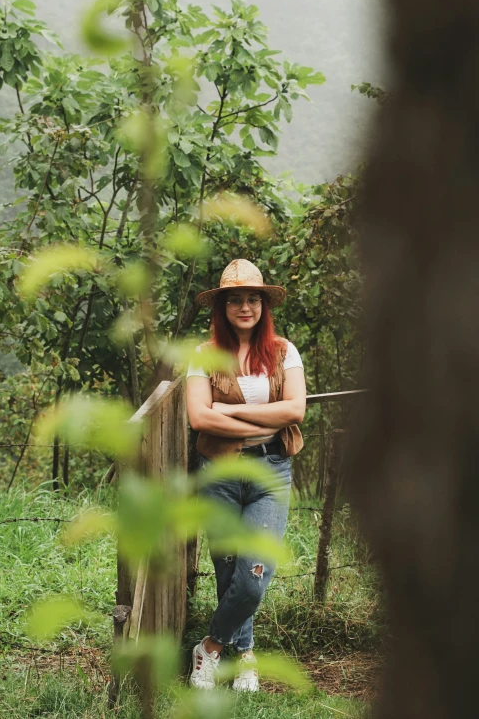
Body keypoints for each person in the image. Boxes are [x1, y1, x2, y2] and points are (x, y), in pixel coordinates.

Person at [186, 258, 306, 692]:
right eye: (235, 299)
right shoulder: (203, 356)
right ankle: (247, 655)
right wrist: (262, 421)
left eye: (252, 298)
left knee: (255, 573)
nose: (245, 307)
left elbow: (294, 410)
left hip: (270, 469)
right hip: (218, 471)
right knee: (228, 567)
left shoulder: (282, 350)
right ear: (222, 307)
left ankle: (211, 647)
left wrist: (232, 410)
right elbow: (199, 416)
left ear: (263, 305)